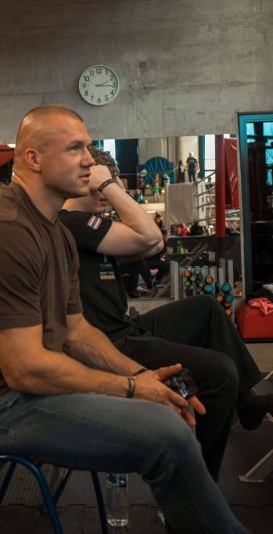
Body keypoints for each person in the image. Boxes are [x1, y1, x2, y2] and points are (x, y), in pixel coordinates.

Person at [0, 106, 251, 534]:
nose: (89, 161)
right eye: (75, 149)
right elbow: (25, 368)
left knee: (170, 418)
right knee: (168, 434)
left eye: (89, 147)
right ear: (33, 159)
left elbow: (77, 331)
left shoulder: (56, 231)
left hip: (26, 391)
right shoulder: (2, 231)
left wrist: (141, 376)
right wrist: (132, 389)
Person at [61, 146, 272, 469]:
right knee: (220, 372)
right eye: (103, 184)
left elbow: (155, 243)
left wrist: (109, 186)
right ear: (86, 179)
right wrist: (109, 186)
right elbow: (149, 235)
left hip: (127, 327)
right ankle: (198, 481)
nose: (107, 194)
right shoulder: (73, 223)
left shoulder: (90, 224)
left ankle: (247, 404)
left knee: (205, 308)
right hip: (111, 344)